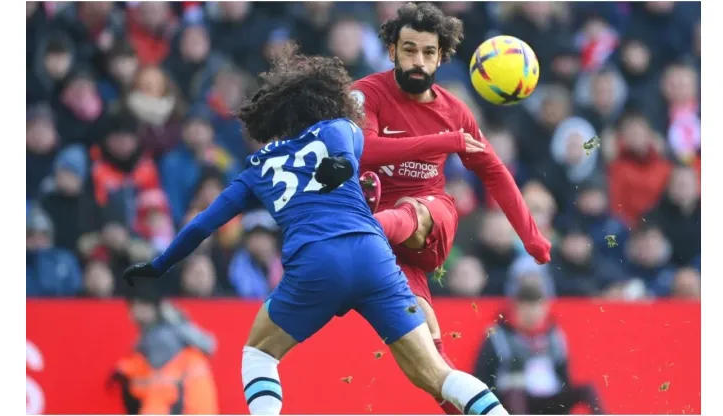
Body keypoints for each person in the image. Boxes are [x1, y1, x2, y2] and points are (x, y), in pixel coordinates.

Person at [122, 46, 508, 416]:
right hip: (373, 255)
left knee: (259, 354)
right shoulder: (338, 128)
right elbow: (344, 142)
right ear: (326, 102)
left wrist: (160, 263)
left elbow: (203, 222)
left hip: (315, 262)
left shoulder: (257, 168)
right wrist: (341, 163)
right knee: (434, 374)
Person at [351, 4, 552, 412]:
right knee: (427, 353)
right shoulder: (364, 94)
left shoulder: (454, 112)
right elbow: (366, 149)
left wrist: (532, 238)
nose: (418, 61)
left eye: (428, 52)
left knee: (414, 206)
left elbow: (494, 172)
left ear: (441, 56)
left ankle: (371, 227)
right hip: (389, 251)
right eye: (409, 50)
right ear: (391, 50)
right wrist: (445, 142)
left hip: (429, 220)